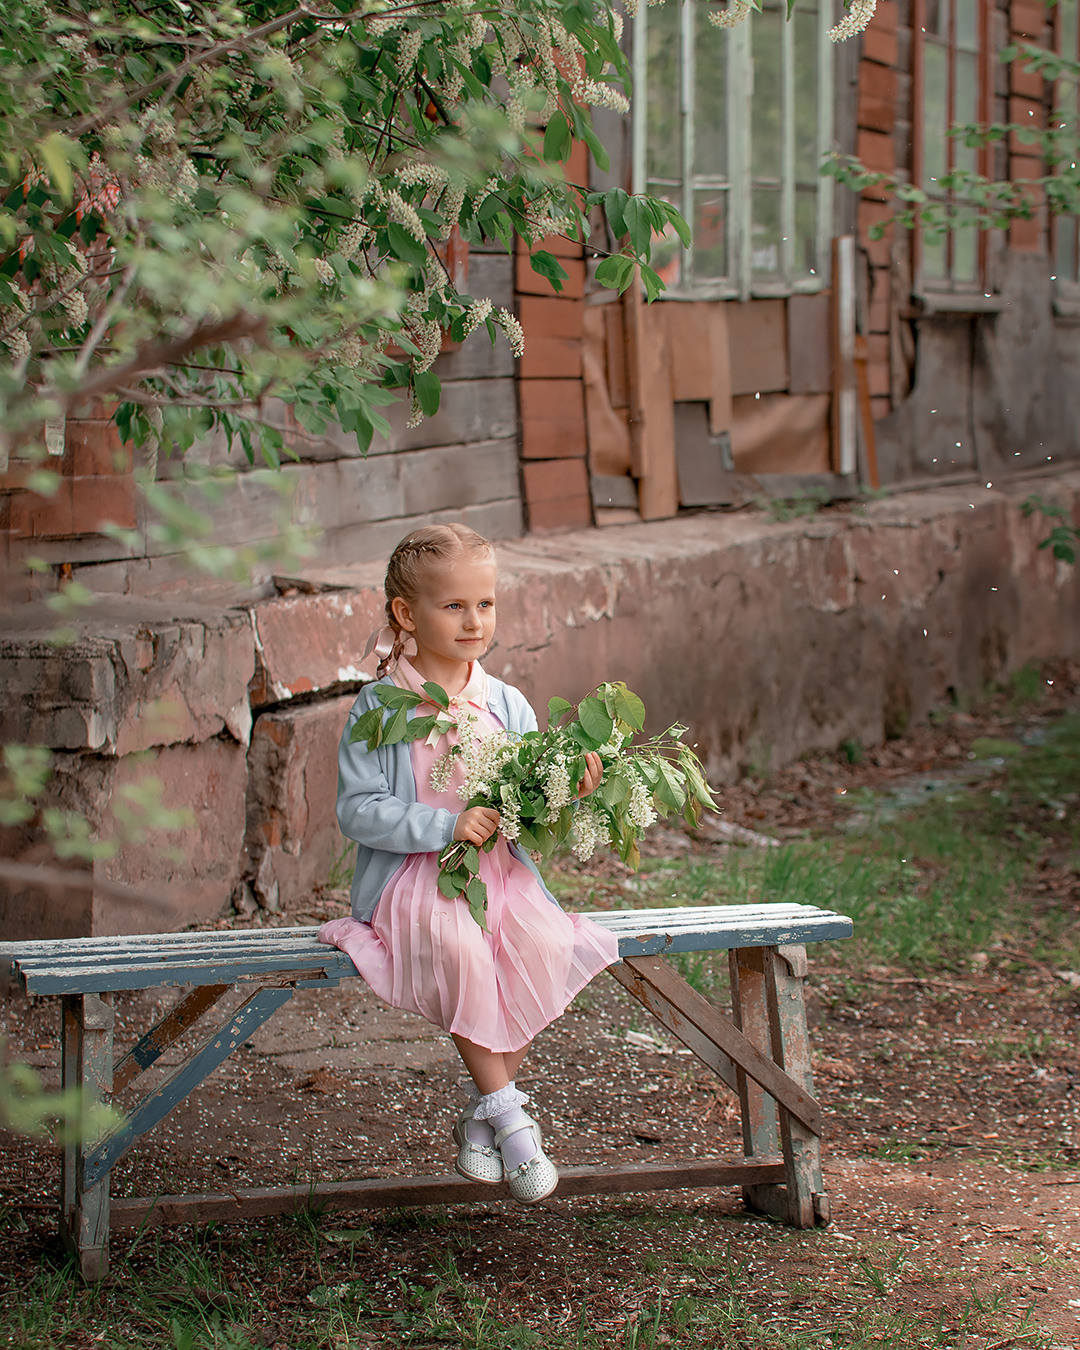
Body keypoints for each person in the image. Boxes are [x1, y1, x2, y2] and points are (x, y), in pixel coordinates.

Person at [319, 524, 620, 1203]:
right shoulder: (381, 706)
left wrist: (567, 787)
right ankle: (514, 1127)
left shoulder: (504, 702)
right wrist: (442, 824)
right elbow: (358, 810)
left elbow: (527, 798)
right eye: (454, 606)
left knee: (544, 945)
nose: (474, 620)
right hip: (416, 878)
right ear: (406, 614)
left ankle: (483, 1121)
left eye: (485, 604)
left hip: (497, 875)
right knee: (458, 947)